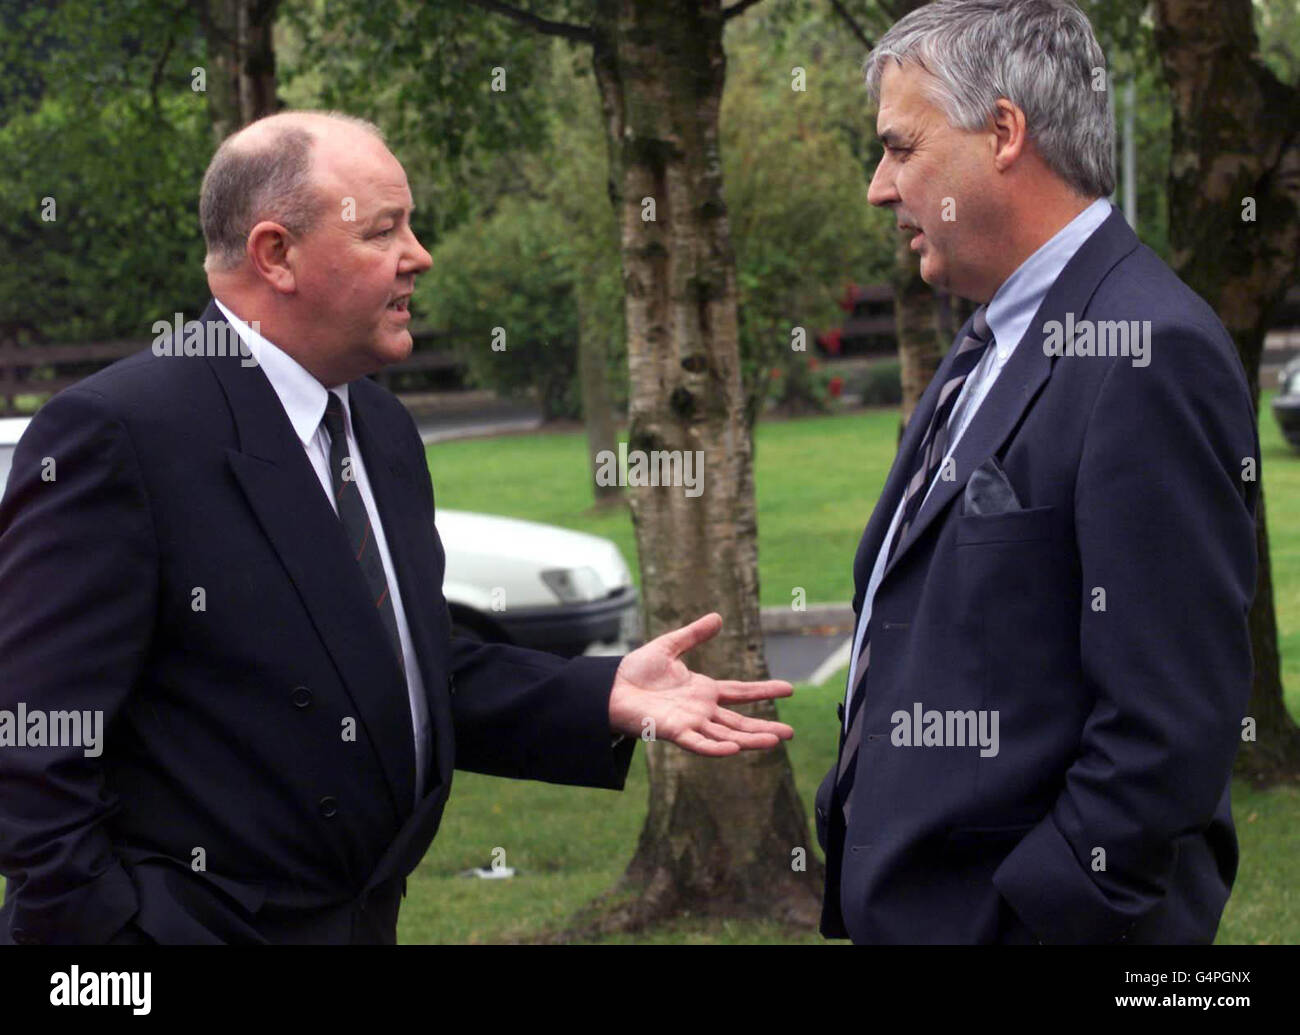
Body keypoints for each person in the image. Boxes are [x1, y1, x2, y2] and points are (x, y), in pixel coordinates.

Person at [0, 110, 794, 945]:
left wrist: (601, 694)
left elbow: (405, 669)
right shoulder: (119, 433)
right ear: (277, 255)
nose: (420, 255)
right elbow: (31, 745)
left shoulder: (378, 427)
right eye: (385, 231)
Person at [815, 0, 1258, 944]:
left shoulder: (1146, 349)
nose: (877, 187)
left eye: (900, 148)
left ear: (1004, 132)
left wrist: (1026, 917)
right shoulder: (990, 336)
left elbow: (1167, 726)